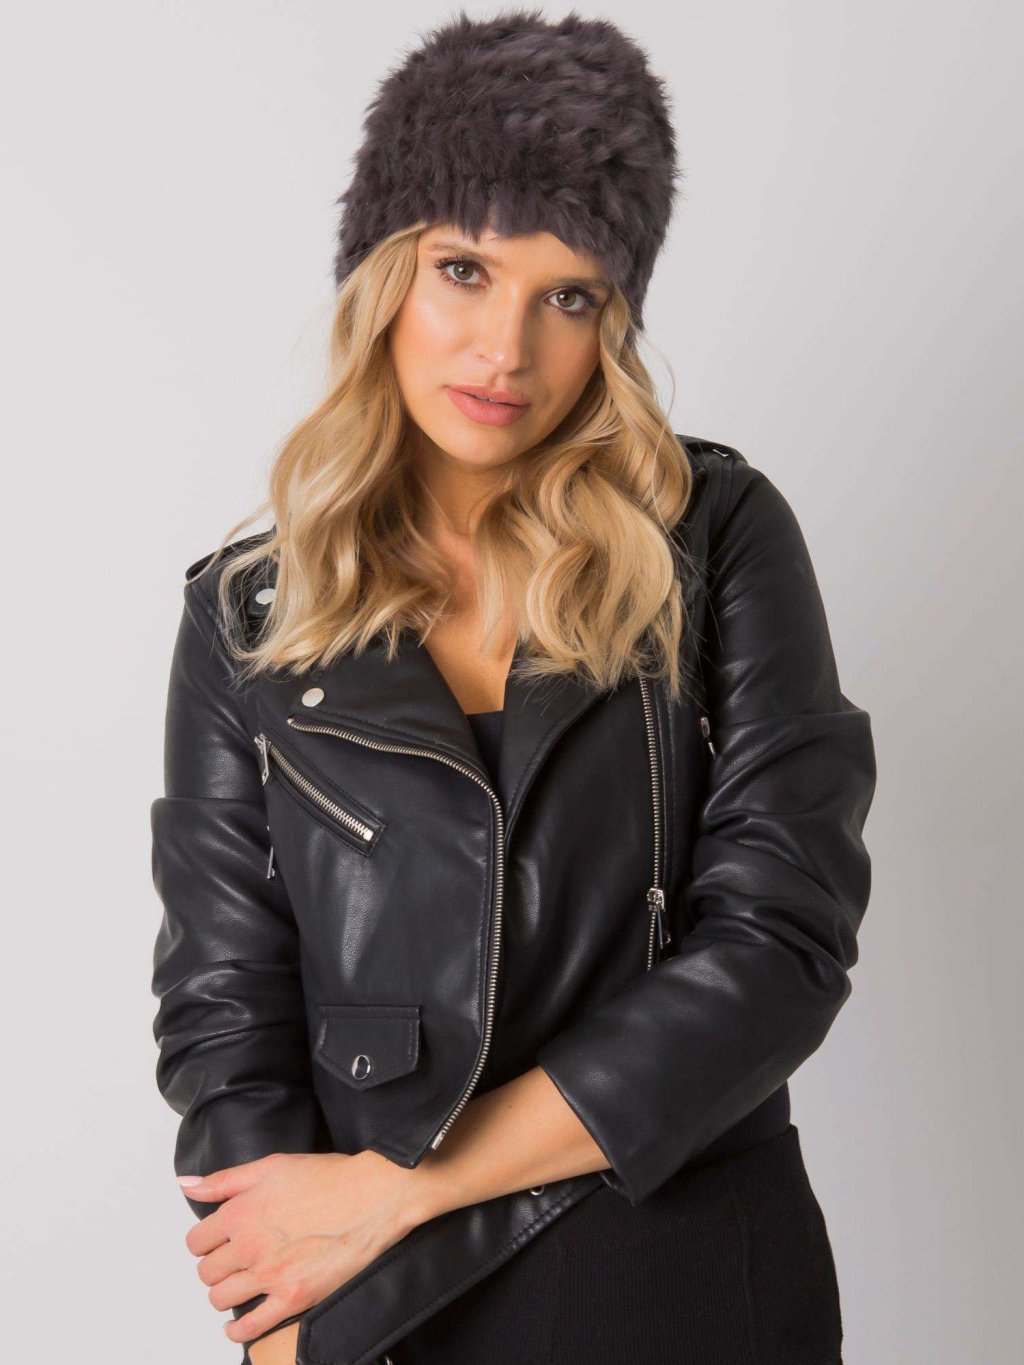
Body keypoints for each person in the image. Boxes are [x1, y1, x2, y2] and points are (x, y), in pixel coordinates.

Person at [149, 10, 877, 1365]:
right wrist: (279, 1320)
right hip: (380, 1309)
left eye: (570, 295)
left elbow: (781, 946)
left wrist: (405, 1192)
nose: (505, 349)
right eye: (465, 270)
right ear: (383, 276)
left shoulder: (714, 539)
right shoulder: (248, 615)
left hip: (690, 1278)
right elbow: (224, 1010)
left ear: (615, 320)